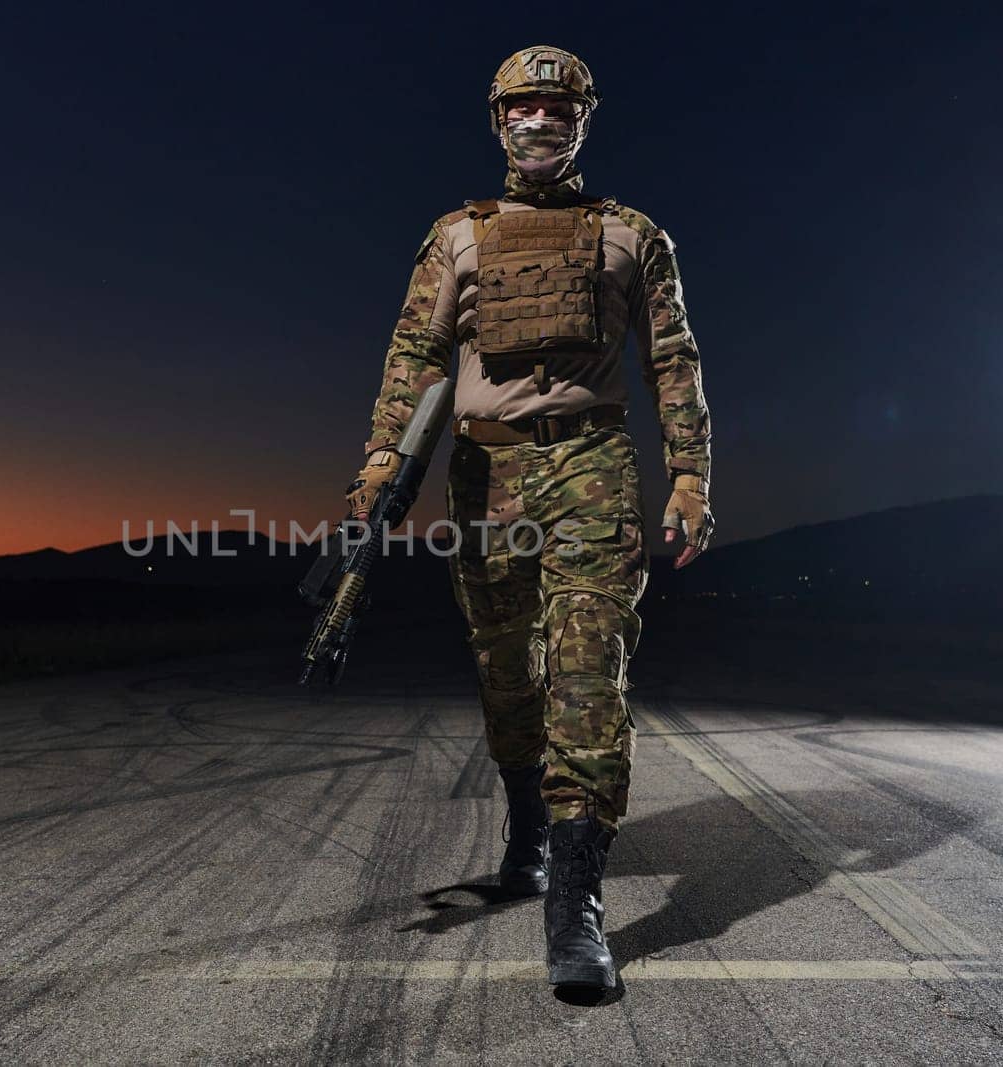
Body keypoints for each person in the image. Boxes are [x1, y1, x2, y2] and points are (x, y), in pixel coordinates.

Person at [344, 45, 715, 990]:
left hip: (591, 466)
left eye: (557, 108)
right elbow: (415, 355)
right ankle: (529, 825)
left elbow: (672, 361)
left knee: (588, 672)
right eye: (522, 109)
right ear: (497, 121)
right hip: (483, 475)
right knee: (509, 675)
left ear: (582, 120)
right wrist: (383, 460)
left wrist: (689, 475)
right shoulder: (457, 237)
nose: (539, 123)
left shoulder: (634, 236)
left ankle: (576, 903)